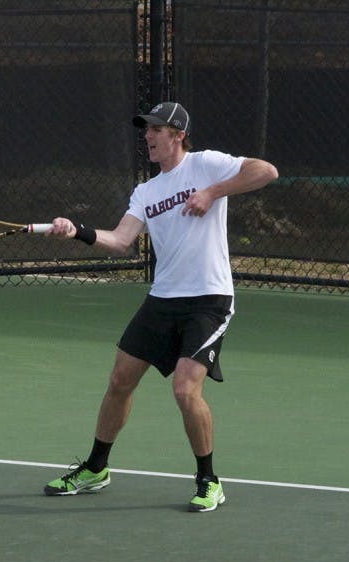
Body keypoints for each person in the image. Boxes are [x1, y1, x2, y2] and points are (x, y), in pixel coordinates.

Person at [42, 101, 279, 512]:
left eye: (156, 130)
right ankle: (96, 468)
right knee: (119, 381)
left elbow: (266, 171)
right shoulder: (146, 191)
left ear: (178, 134)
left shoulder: (206, 165)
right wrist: (76, 231)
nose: (148, 137)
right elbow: (120, 240)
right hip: (163, 298)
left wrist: (211, 191)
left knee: (185, 389)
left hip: (209, 298)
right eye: (146, 130)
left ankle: (209, 480)